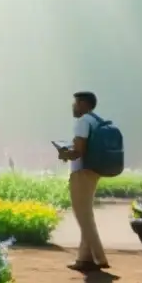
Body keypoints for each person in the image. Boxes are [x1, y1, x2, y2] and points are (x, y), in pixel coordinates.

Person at [57, 91, 110, 273]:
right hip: (93, 171)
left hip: (82, 172)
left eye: (76, 103)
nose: (73, 106)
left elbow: (79, 151)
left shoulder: (82, 122)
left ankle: (99, 257)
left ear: (84, 104)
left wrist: (64, 153)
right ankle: (84, 259)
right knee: (86, 214)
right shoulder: (95, 120)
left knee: (83, 217)